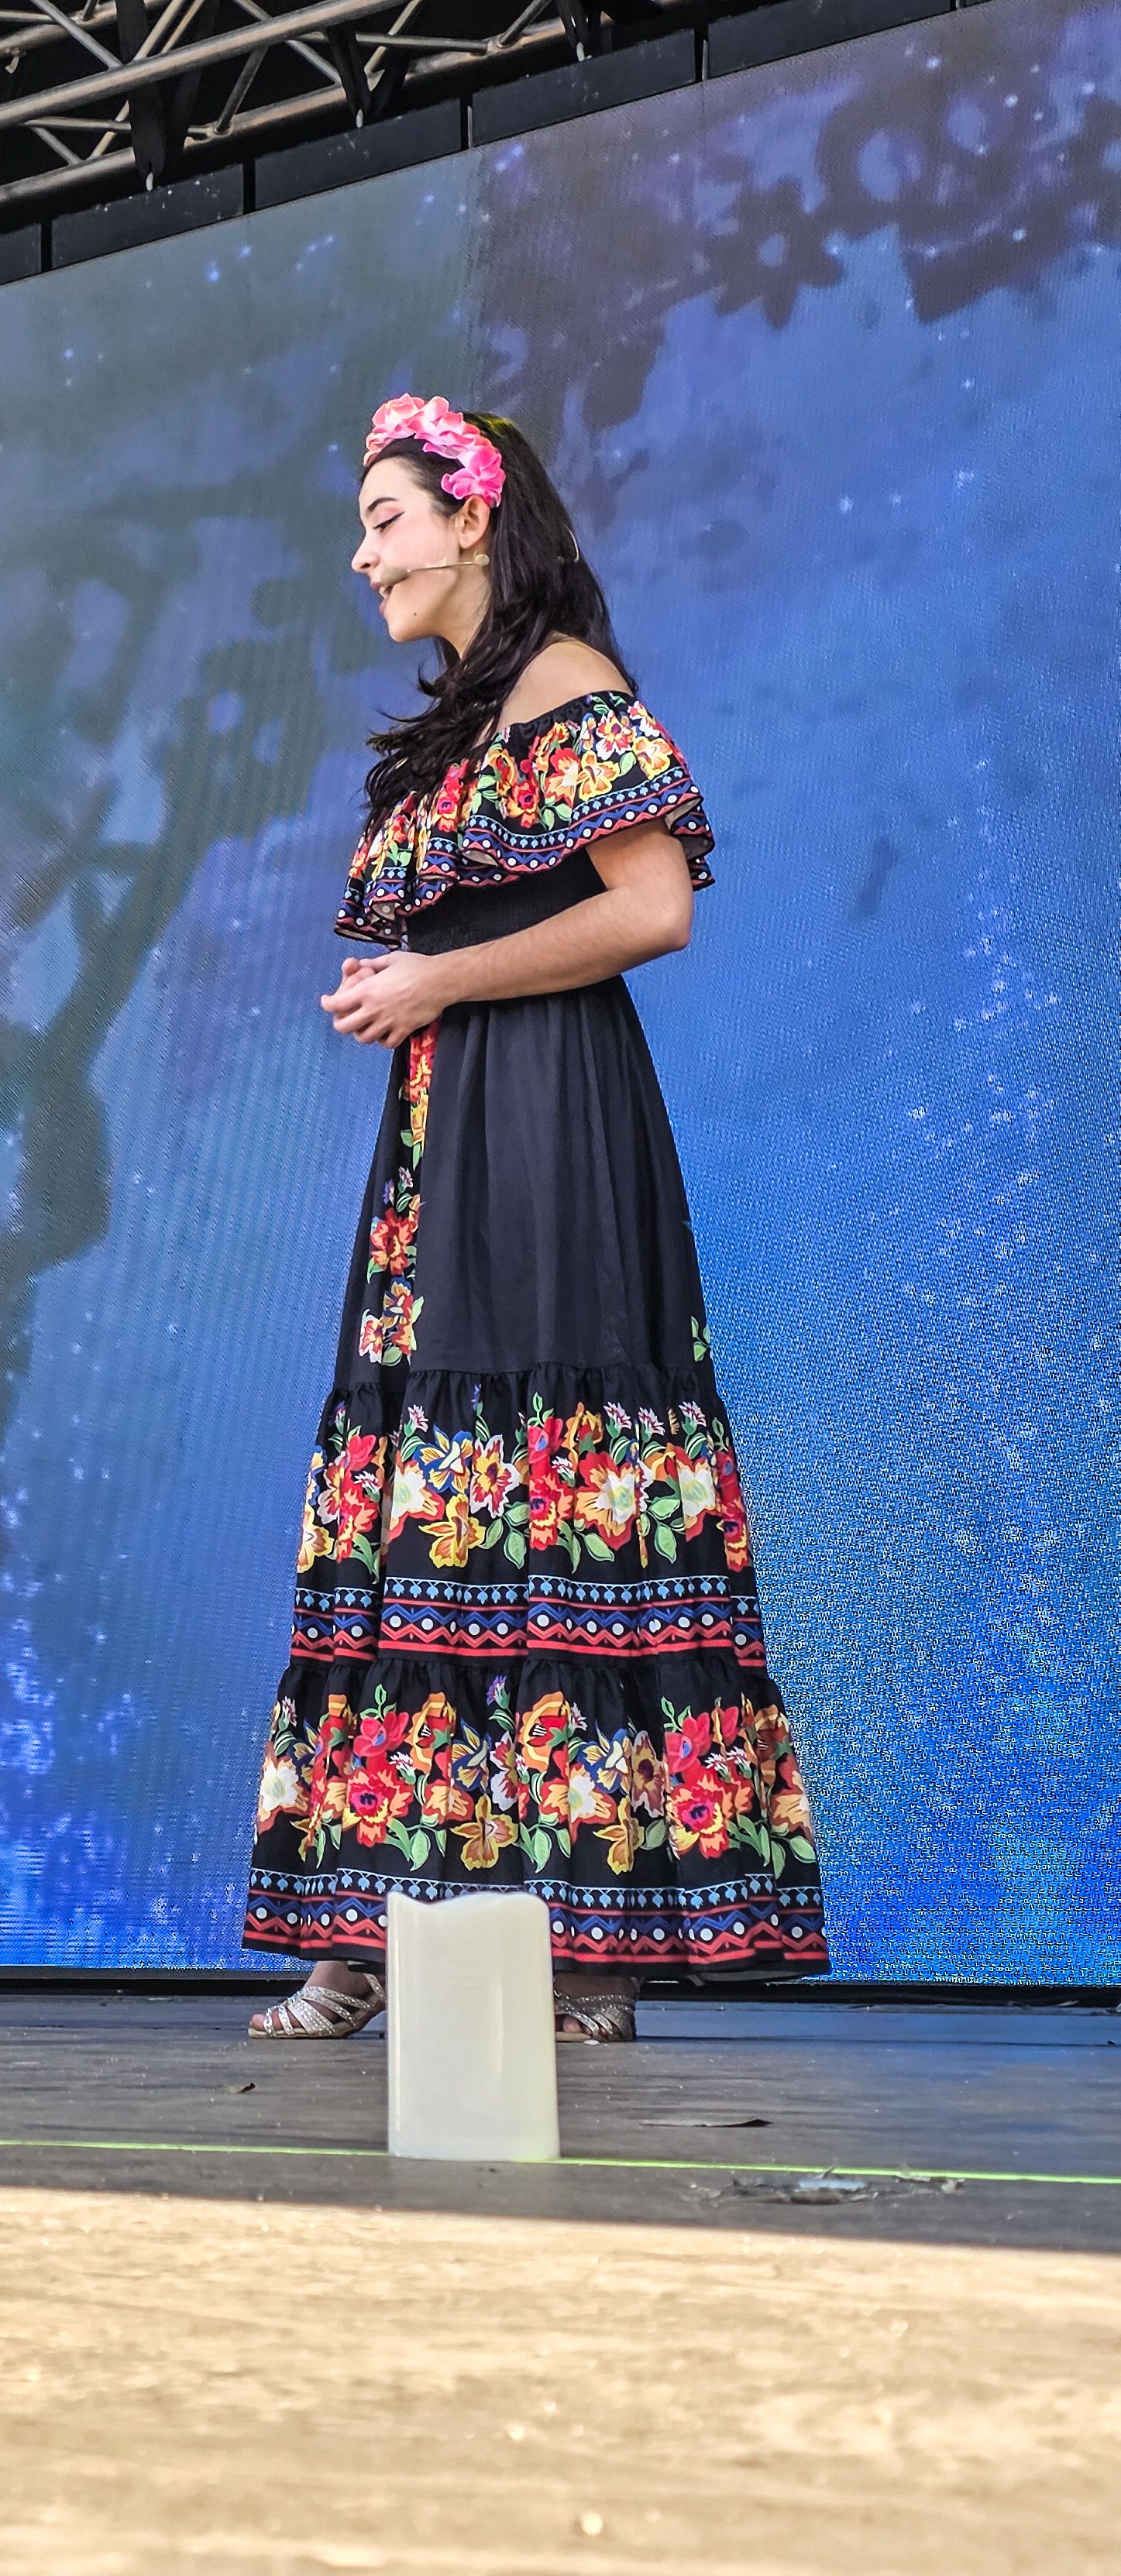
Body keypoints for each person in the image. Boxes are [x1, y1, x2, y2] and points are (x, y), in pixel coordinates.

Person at [244, 395, 825, 2045]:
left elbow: (652, 907)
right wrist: (414, 989)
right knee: (416, 1484)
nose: (364, 553)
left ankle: (593, 1951)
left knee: (551, 1479)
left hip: (553, 1118)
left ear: (473, 517)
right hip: (447, 1126)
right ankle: (370, 1928)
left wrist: (439, 974)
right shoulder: (454, 725)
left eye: (385, 518)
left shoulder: (570, 685)